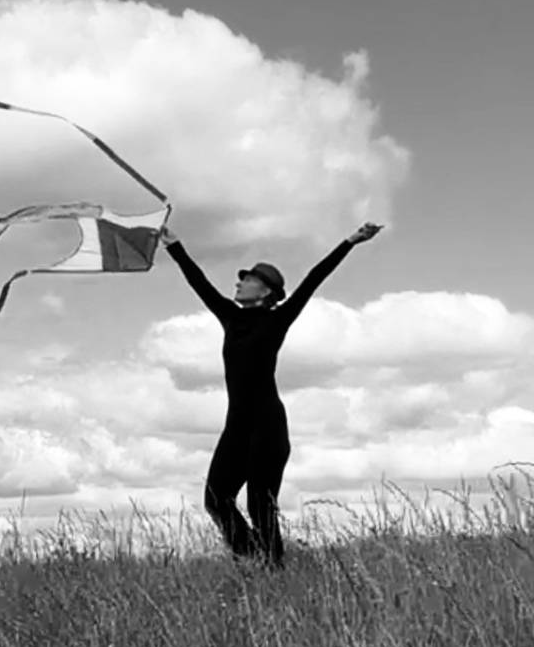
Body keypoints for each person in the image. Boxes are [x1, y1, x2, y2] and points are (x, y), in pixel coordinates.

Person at [161, 220, 383, 565]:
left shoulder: (278, 319)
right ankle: (254, 558)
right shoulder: (230, 316)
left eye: (247, 279)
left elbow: (315, 278)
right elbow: (198, 281)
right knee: (216, 499)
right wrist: (174, 246)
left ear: (266, 291)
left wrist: (350, 241)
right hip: (237, 426)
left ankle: (273, 570)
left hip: (268, 426)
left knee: (260, 505)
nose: (238, 283)